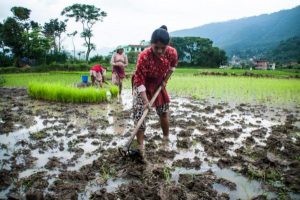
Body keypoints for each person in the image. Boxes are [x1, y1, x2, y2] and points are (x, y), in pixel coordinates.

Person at [132, 25, 178, 160]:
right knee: (140, 116)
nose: (159, 51)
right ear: (150, 44)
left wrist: (165, 81)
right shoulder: (144, 56)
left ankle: (165, 139)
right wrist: (145, 100)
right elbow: (139, 80)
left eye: (162, 48)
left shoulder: (172, 53)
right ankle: (140, 147)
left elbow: (172, 67)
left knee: (163, 112)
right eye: (155, 47)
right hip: (143, 84)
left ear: (167, 45)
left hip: (159, 83)